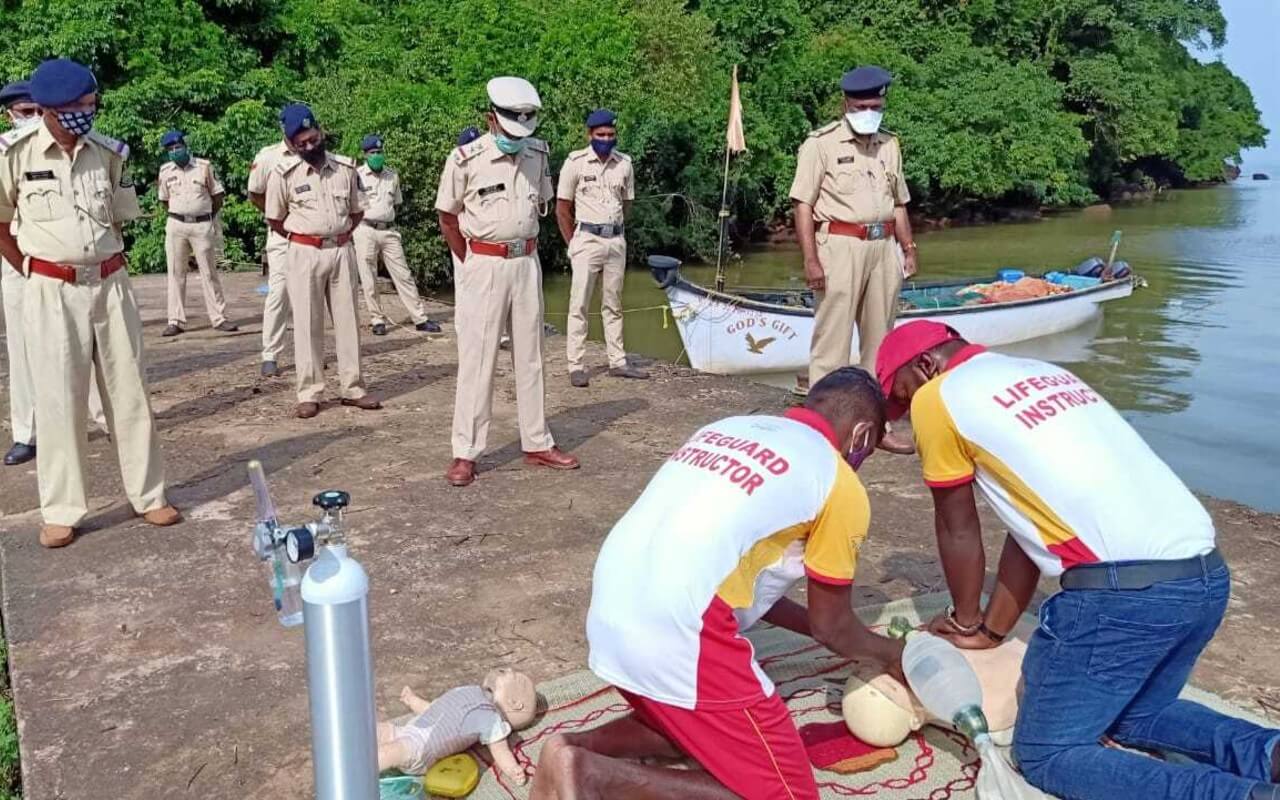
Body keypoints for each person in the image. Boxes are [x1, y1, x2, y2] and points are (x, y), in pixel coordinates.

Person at [875, 320, 1280, 800]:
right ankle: (1270, 754)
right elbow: (1029, 529)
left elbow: (956, 526)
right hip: (1204, 576)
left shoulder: (935, 397)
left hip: (1124, 595)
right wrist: (991, 631)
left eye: (903, 397)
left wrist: (964, 620)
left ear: (926, 366)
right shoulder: (1038, 370)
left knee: (1049, 754)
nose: (906, 414)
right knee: (1136, 714)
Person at [530, 367, 903, 800]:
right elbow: (832, 626)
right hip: (677, 632)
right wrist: (896, 655)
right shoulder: (839, 482)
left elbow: (743, 585)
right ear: (861, 436)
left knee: (699, 734)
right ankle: (591, 774)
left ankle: (570, 748)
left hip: (612, 609)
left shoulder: (727, 427)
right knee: (791, 793)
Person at [0, 59, 179, 547]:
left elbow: (120, 221)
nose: (88, 112)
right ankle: (62, 510)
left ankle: (149, 495)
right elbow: (2, 224)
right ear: (51, 111)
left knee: (130, 394)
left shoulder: (107, 153)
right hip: (51, 290)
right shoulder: (14, 155)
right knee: (60, 399)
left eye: (90, 104)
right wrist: (38, 270)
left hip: (111, 283)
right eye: (78, 107)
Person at [435, 77, 579, 487]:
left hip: (526, 261)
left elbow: (544, 204)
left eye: (525, 128)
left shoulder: (537, 154)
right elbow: (447, 217)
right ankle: (466, 452)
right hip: (484, 262)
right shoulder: (465, 159)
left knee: (531, 355)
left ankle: (536, 442)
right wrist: (469, 262)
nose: (517, 137)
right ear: (491, 119)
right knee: (478, 360)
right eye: (510, 129)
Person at [790, 65, 916, 452]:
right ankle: (823, 425)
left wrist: (909, 249)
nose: (869, 110)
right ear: (846, 103)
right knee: (832, 339)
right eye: (861, 105)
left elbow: (898, 203)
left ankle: (876, 426)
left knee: (882, 341)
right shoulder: (821, 144)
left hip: (883, 246)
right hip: (839, 245)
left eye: (875, 104)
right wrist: (811, 259)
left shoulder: (889, 145)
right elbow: (803, 205)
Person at [265, 103, 381, 419]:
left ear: (320, 130)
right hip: (304, 252)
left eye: (313, 138)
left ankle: (353, 388)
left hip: (342, 250)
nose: (309, 146)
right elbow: (275, 219)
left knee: (347, 321)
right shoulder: (282, 174)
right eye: (301, 143)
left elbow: (357, 211)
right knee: (307, 323)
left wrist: (336, 235)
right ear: (290, 144)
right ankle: (310, 391)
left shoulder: (346, 168)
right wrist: (309, 235)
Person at [557, 108, 646, 387]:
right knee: (579, 304)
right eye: (601, 134)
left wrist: (616, 230)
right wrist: (573, 244)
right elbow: (562, 208)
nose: (606, 139)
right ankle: (576, 364)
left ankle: (617, 361)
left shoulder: (624, 164)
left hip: (615, 240)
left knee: (614, 303)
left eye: (610, 134)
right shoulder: (576, 162)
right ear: (590, 135)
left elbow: (627, 204)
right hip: (587, 238)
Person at [353, 134, 441, 337]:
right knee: (369, 276)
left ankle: (420, 318)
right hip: (365, 228)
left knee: (403, 274)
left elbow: (396, 203)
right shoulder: (357, 175)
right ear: (365, 154)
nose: (377, 156)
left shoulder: (392, 176)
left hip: (388, 229)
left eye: (380, 152)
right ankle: (377, 319)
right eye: (373, 153)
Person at [156, 129, 236, 336]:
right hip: (176, 225)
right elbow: (164, 200)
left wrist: (205, 215)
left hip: (201, 225)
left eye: (178, 147)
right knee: (175, 273)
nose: (175, 151)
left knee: (209, 272)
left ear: (185, 146)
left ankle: (219, 317)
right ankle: (175, 320)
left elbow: (217, 196)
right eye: (171, 149)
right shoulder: (165, 171)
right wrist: (182, 214)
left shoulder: (203, 167)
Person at [247, 111, 294, 377]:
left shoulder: (314, 152)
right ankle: (271, 354)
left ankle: (313, 352)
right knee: (279, 292)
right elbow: (254, 192)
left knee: (313, 296)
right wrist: (277, 216)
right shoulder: (268, 156)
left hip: (312, 235)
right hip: (281, 235)